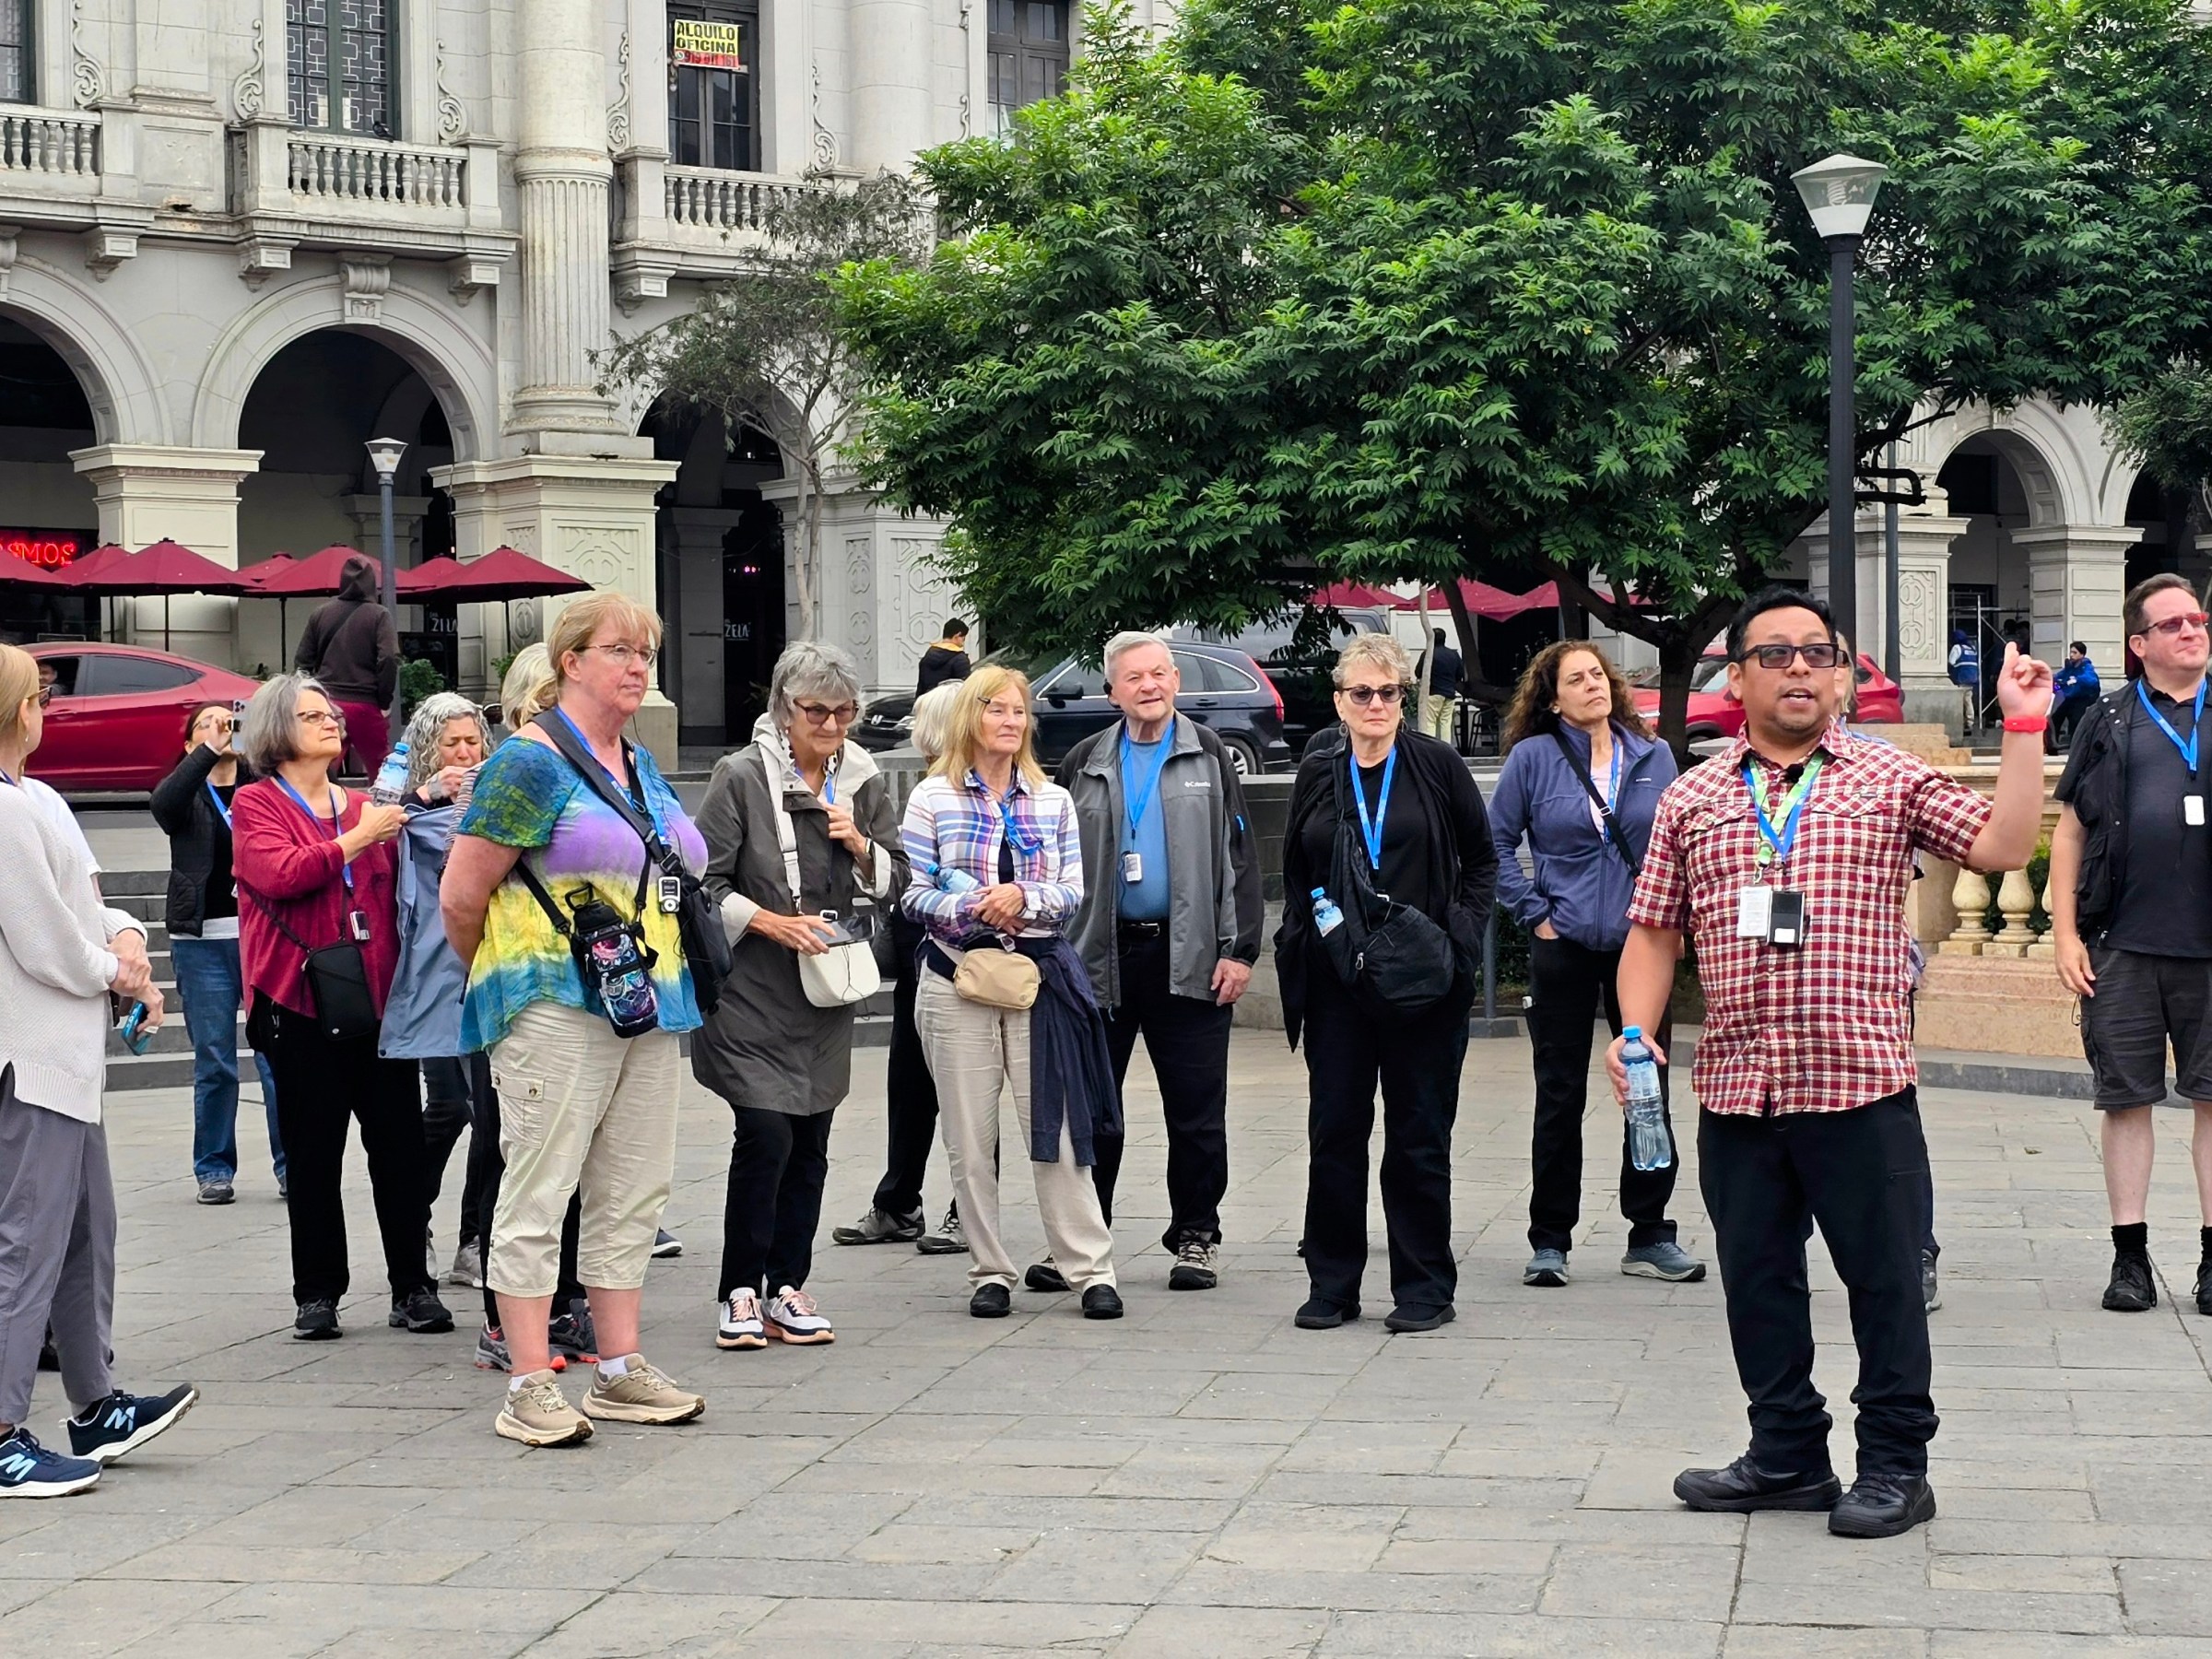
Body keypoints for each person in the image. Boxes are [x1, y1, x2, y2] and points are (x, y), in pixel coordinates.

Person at [1607, 583, 2050, 1541]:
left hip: (1859, 1086)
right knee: (1756, 1279)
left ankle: (1896, 1464)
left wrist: (2023, 729)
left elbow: (2007, 842)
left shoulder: (1885, 779)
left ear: (1845, 675)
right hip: (1737, 1088)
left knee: (1884, 1281)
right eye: (1775, 653)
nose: (1799, 667)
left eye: (1819, 652)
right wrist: (1635, 1033)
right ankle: (1786, 1454)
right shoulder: (1692, 795)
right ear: (1738, 677)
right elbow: (1652, 934)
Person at [440, 593, 707, 1446]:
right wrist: (509, 980)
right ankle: (526, 1380)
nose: (637, 666)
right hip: (553, 999)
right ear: (571, 662)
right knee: (539, 1187)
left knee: (633, 1190)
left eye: (647, 653)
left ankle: (620, 1370)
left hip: (647, 997)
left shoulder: (636, 761)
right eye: (620, 650)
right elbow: (461, 895)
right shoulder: (528, 761)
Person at [0, 642, 200, 1499]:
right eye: (35, 691)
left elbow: (85, 900)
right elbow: (44, 938)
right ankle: (4, 1430)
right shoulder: (3, 808)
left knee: (85, 1233)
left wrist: (123, 939)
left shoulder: (34, 795)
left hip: (65, 1058)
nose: (45, 701)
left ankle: (95, 1402)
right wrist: (117, 970)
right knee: (28, 1245)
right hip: (30, 1053)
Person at [1277, 634, 1496, 1335]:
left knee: (1418, 1137)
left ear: (1405, 697)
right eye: (1361, 693)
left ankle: (1425, 1287)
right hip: (1341, 983)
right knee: (1335, 1132)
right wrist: (1317, 932)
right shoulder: (1320, 768)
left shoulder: (1435, 765)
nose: (1376, 705)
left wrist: (1459, 939)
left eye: (1390, 692)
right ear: (1339, 701)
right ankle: (1332, 1284)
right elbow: (1297, 869)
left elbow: (1483, 861)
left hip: (1424, 982)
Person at [695, 642, 909, 1350]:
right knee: (766, 1133)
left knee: (812, 1137)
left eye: (845, 712)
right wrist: (767, 920)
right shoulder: (740, 776)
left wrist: (859, 846)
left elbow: (896, 880)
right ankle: (738, 1290)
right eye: (816, 711)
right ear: (785, 711)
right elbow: (705, 884)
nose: (832, 725)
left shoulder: (863, 778)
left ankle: (787, 1285)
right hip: (752, 986)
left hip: (825, 987)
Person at [900, 663, 1124, 1321]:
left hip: (1038, 979)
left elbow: (1071, 892)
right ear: (971, 717)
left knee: (1057, 1128)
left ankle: (1089, 1269)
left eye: (1018, 711)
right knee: (970, 1137)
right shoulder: (931, 797)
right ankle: (989, 1270)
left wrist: (1022, 895)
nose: (1008, 721)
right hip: (955, 978)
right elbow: (913, 894)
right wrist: (977, 904)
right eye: (995, 708)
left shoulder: (1050, 799)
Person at [232, 674, 451, 1343]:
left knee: (400, 1152)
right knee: (314, 1153)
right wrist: (362, 838)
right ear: (277, 731)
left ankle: (413, 1286)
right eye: (311, 715)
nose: (331, 722)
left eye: (330, 714)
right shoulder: (256, 803)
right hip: (298, 1001)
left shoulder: (363, 805)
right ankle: (318, 1293)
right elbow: (283, 873)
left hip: (378, 1004)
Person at [1488, 641, 1700, 1289]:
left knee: (1647, 1086)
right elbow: (1493, 842)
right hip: (1566, 943)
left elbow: (1681, 838)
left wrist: (1676, 918)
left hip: (1643, 944)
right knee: (1559, 1093)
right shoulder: (1533, 759)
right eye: (1576, 679)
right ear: (1553, 698)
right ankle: (1550, 1238)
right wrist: (1536, 914)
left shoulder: (1653, 756)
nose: (1593, 686)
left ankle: (1650, 1232)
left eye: (1599, 676)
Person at [1057, 631, 1261, 1293]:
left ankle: (1196, 1235)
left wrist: (1241, 951)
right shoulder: (1087, 758)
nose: (1149, 686)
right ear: (1112, 691)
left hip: (1191, 954)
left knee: (1197, 1111)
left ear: (1176, 681)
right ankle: (1088, 1242)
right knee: (1094, 1110)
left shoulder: (1208, 753)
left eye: (1159, 674)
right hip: (1101, 959)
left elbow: (1242, 860)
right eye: (1134, 678)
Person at [2050, 575, 2212, 1319]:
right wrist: (2063, 934)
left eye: (2199, 619)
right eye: (2173, 623)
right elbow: (2072, 831)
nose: (2192, 630)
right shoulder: (2110, 720)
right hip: (2122, 944)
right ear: (2139, 644)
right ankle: (2130, 1258)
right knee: (2126, 1102)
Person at [833, 681, 971, 1256]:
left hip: (965, 961)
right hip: (920, 956)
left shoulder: (977, 794)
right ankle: (898, 1203)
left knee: (968, 1093)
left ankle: (967, 1210)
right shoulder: (926, 791)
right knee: (909, 1087)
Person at [148, 700, 286, 1206]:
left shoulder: (260, 787)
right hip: (201, 941)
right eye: (204, 725)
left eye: (226, 721)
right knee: (214, 1060)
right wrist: (207, 753)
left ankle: (290, 1164)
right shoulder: (184, 793)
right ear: (189, 745)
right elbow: (164, 808)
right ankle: (214, 1169)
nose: (220, 727)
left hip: (260, 937)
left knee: (276, 1057)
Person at [293, 553, 399, 779]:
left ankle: (317, 809)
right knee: (382, 770)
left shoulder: (320, 613)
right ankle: (383, 810)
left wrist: (310, 698)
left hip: (327, 701)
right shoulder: (379, 615)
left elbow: (302, 662)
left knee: (321, 764)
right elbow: (388, 658)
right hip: (365, 703)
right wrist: (384, 699)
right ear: (372, 583)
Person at [2051, 640, 2100, 749]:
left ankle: (2075, 748)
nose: (2072, 655)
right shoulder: (2070, 666)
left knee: (2076, 720)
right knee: (2055, 717)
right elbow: (2060, 675)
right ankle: (2052, 746)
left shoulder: (2086, 667)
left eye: (2075, 653)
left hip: (2082, 699)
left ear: (2082, 654)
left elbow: (2091, 680)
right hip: (2069, 698)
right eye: (2071, 652)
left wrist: (2077, 679)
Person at [1423, 629, 1464, 742]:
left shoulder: (1429, 654)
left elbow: (1418, 672)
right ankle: (1446, 749)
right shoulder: (1454, 654)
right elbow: (1460, 673)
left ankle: (1431, 748)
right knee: (1446, 722)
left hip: (1433, 693)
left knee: (1430, 722)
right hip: (1450, 693)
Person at [915, 618, 973, 697]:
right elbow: (964, 689)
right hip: (948, 705)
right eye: (963, 639)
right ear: (957, 635)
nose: (962, 644)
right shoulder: (960, 659)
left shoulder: (928, 656)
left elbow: (921, 687)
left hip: (928, 704)